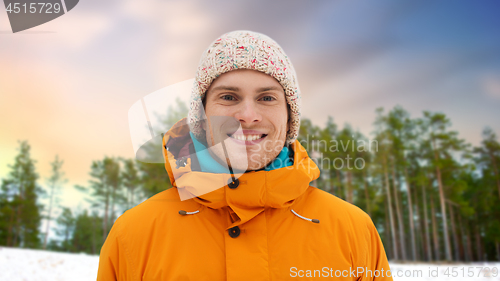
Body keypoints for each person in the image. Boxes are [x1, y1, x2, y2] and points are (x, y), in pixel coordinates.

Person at [97, 30, 393, 280]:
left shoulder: (353, 230)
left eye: (267, 98)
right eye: (228, 97)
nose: (248, 115)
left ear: (290, 118)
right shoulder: (134, 235)